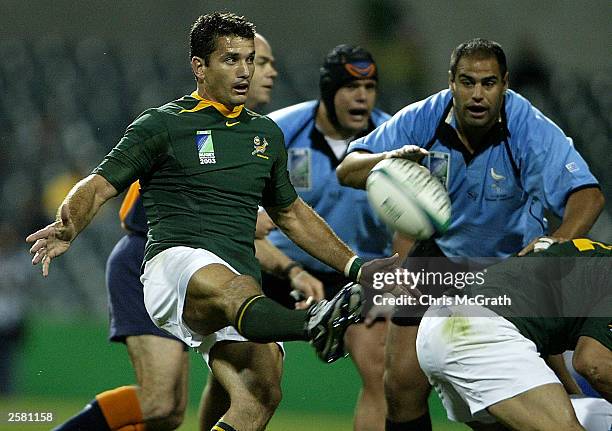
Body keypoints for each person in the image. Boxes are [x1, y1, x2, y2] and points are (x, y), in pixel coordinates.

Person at [27, 13, 403, 431]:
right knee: (225, 304)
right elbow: (97, 185)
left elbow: (292, 213)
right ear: (199, 67)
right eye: (230, 60)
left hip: (236, 279)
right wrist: (68, 226)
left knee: (261, 392)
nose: (245, 71)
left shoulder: (265, 135)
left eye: (249, 60)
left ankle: (313, 322)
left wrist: (356, 267)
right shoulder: (164, 124)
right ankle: (314, 323)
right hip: (173, 267)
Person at [336, 38, 605, 430]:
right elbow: (349, 168)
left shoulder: (528, 126)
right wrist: (387, 161)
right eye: (467, 82)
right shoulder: (424, 117)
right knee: (400, 386)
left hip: (511, 266)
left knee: (530, 399)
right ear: (451, 83)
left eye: (488, 83)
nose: (477, 94)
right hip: (438, 259)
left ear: (505, 84)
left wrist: (559, 242)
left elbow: (588, 195)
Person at [47, 32, 286, 431]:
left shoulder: (257, 133)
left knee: (185, 407)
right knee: (160, 404)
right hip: (153, 260)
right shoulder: (185, 124)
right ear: (207, 68)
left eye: (259, 62)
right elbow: (106, 186)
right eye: (255, 62)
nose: (264, 71)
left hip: (206, 273)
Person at [257, 44, 408, 431]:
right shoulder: (279, 131)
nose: (362, 96)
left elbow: (412, 222)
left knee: (381, 370)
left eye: (370, 87)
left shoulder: (394, 139)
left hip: (358, 271)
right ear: (328, 91)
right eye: (350, 86)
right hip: (280, 269)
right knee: (250, 374)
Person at [415, 237, 612, 430]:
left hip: (439, 322)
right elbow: (595, 364)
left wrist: (573, 395)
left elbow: (540, 327)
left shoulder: (590, 254)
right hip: (481, 333)